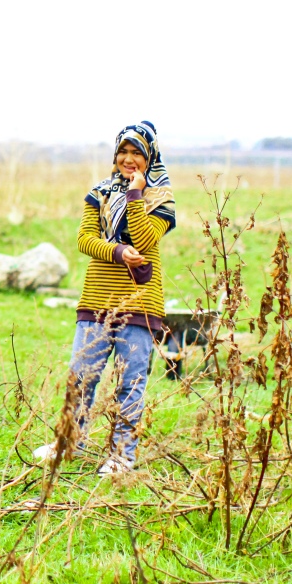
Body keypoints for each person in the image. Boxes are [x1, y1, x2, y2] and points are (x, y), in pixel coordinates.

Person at [33, 121, 175, 475]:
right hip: (96, 297)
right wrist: (116, 251)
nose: (128, 160)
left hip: (139, 302)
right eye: (122, 153)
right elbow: (84, 239)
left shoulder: (161, 198)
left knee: (131, 381)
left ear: (149, 157)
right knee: (81, 375)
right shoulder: (99, 192)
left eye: (136, 153)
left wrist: (136, 195)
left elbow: (144, 240)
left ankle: (122, 457)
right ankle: (68, 442)